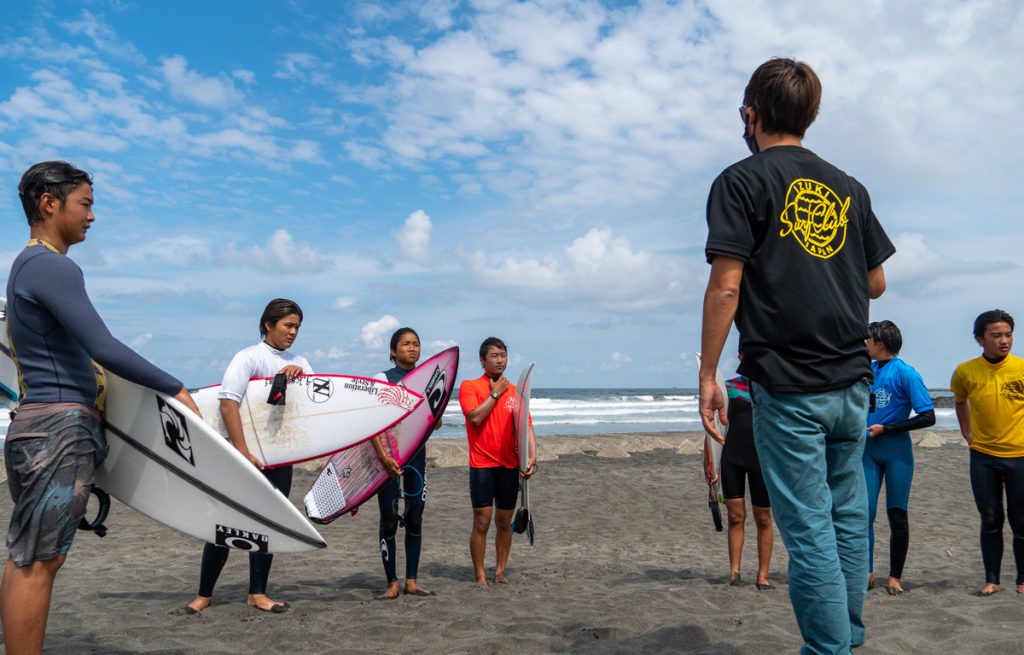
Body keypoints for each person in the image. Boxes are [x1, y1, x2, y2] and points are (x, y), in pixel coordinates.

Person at [698, 58, 895, 654]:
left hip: (788, 383)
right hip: (852, 382)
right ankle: (847, 640)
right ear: (810, 116)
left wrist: (707, 373)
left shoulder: (741, 181)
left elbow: (726, 287)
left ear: (750, 114)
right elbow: (876, 281)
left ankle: (829, 648)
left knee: (809, 529)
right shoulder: (849, 186)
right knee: (846, 519)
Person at [2, 161, 201, 654]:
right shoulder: (51, 265)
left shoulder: (26, 265)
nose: (92, 216)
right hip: (58, 428)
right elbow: (103, 346)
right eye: (85, 204)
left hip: (38, 425)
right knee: (39, 561)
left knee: (30, 556)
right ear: (49, 203)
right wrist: (175, 388)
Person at [183, 298, 312, 614]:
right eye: (288, 325)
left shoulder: (300, 362)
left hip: (279, 457)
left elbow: (313, 408)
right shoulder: (249, 357)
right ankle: (204, 594)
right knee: (224, 525)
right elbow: (229, 402)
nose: (293, 332)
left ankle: (258, 593)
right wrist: (243, 452)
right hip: (243, 456)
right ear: (269, 324)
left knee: (268, 524)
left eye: (297, 327)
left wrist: (302, 377)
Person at [951, 309, 1024, 596]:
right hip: (983, 456)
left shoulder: (1021, 368)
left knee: (1021, 521)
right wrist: (967, 433)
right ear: (980, 339)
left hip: (1020, 455)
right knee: (991, 519)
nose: (1004, 341)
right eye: (996, 335)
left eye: (1008, 334)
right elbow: (960, 401)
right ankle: (992, 579)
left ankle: (1022, 579)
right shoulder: (965, 371)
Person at [863, 320, 935, 595]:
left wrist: (888, 428)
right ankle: (866, 571)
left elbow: (927, 416)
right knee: (865, 513)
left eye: (868, 340)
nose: (865, 344)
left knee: (897, 514)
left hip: (896, 453)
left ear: (880, 343)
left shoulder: (906, 373)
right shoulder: (865, 370)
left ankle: (894, 577)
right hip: (868, 451)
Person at [459, 337, 536, 585]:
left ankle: (500, 571)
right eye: (494, 355)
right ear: (482, 360)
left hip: (509, 466)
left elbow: (526, 426)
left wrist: (532, 456)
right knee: (481, 521)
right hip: (482, 465)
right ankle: (480, 573)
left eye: (503, 355)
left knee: (504, 522)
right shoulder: (469, 386)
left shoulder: (516, 392)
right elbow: (475, 418)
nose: (500, 360)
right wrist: (495, 392)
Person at [370, 327, 439, 599]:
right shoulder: (383, 378)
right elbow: (371, 421)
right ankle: (391, 583)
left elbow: (433, 422)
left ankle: (411, 581)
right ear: (393, 350)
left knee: (415, 516)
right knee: (388, 517)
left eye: (416, 344)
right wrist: (381, 456)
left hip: (417, 457)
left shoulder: (427, 380)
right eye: (405, 344)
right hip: (388, 457)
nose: (412, 348)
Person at [705, 355, 774, 590]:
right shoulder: (728, 388)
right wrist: (710, 463)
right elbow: (714, 426)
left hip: (762, 460)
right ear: (741, 357)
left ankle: (763, 576)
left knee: (763, 518)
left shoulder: (771, 388)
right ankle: (734, 572)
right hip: (732, 458)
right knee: (735, 517)